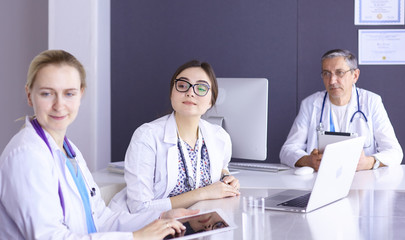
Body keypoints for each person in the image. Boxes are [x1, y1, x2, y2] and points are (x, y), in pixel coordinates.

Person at [0, 49, 199, 240]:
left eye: (69, 93)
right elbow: (49, 237)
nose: (59, 105)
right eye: (47, 93)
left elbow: (101, 220)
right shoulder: (26, 156)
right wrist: (137, 237)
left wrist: (162, 218)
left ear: (81, 94)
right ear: (29, 95)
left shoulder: (68, 150)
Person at [109, 60, 240, 214]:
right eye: (183, 86)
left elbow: (222, 167)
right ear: (172, 93)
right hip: (152, 227)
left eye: (201, 88)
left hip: (200, 224)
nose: (190, 92)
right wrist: (203, 193)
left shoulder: (219, 137)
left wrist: (226, 177)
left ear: (211, 101)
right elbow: (139, 208)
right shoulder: (146, 136)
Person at [280, 49, 403, 171]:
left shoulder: (371, 102)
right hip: (321, 180)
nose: (332, 81)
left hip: (361, 180)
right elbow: (287, 150)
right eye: (327, 73)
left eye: (340, 73)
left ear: (355, 75)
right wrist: (308, 161)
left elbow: (395, 152)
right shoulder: (310, 104)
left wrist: (368, 162)